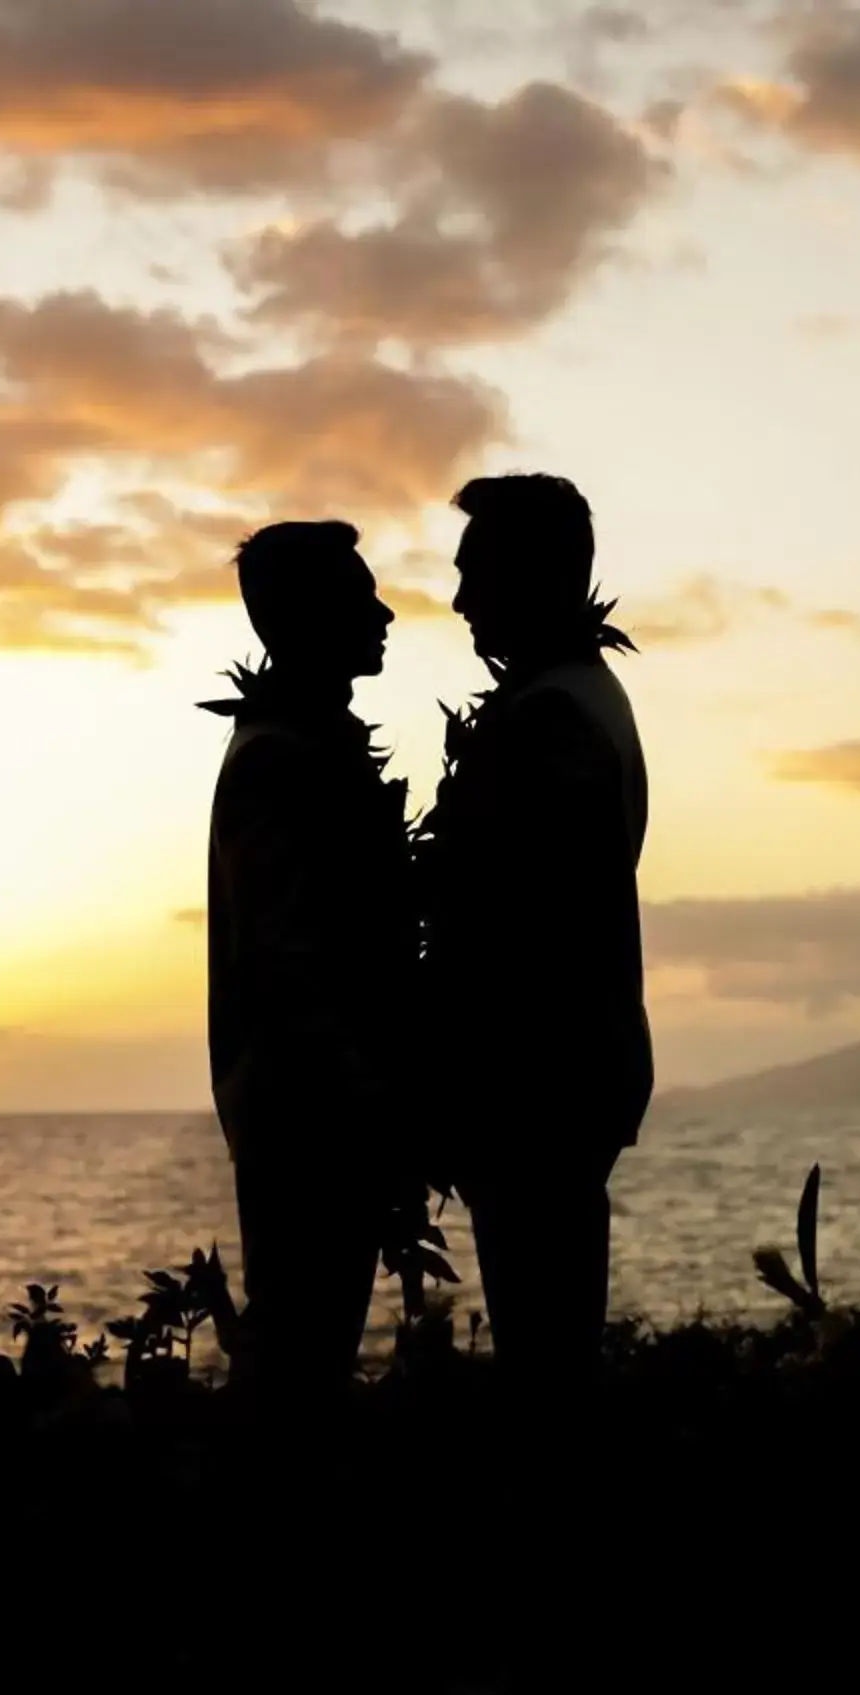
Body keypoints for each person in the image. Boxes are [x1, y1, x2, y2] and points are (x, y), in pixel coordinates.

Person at [423, 473, 652, 1385]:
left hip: (537, 1084)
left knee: (544, 1360)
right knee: (550, 1349)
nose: (461, 599)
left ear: (542, 575)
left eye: (479, 571)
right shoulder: (583, 696)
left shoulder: (551, 717)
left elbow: (519, 921)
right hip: (565, 1077)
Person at [205, 521, 416, 1402]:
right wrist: (370, 1093)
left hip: (320, 1111)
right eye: (361, 596)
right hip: (308, 1119)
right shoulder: (279, 762)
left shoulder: (302, 747)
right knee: (300, 1357)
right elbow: (288, 956)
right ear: (304, 618)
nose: (386, 612)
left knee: (313, 1353)